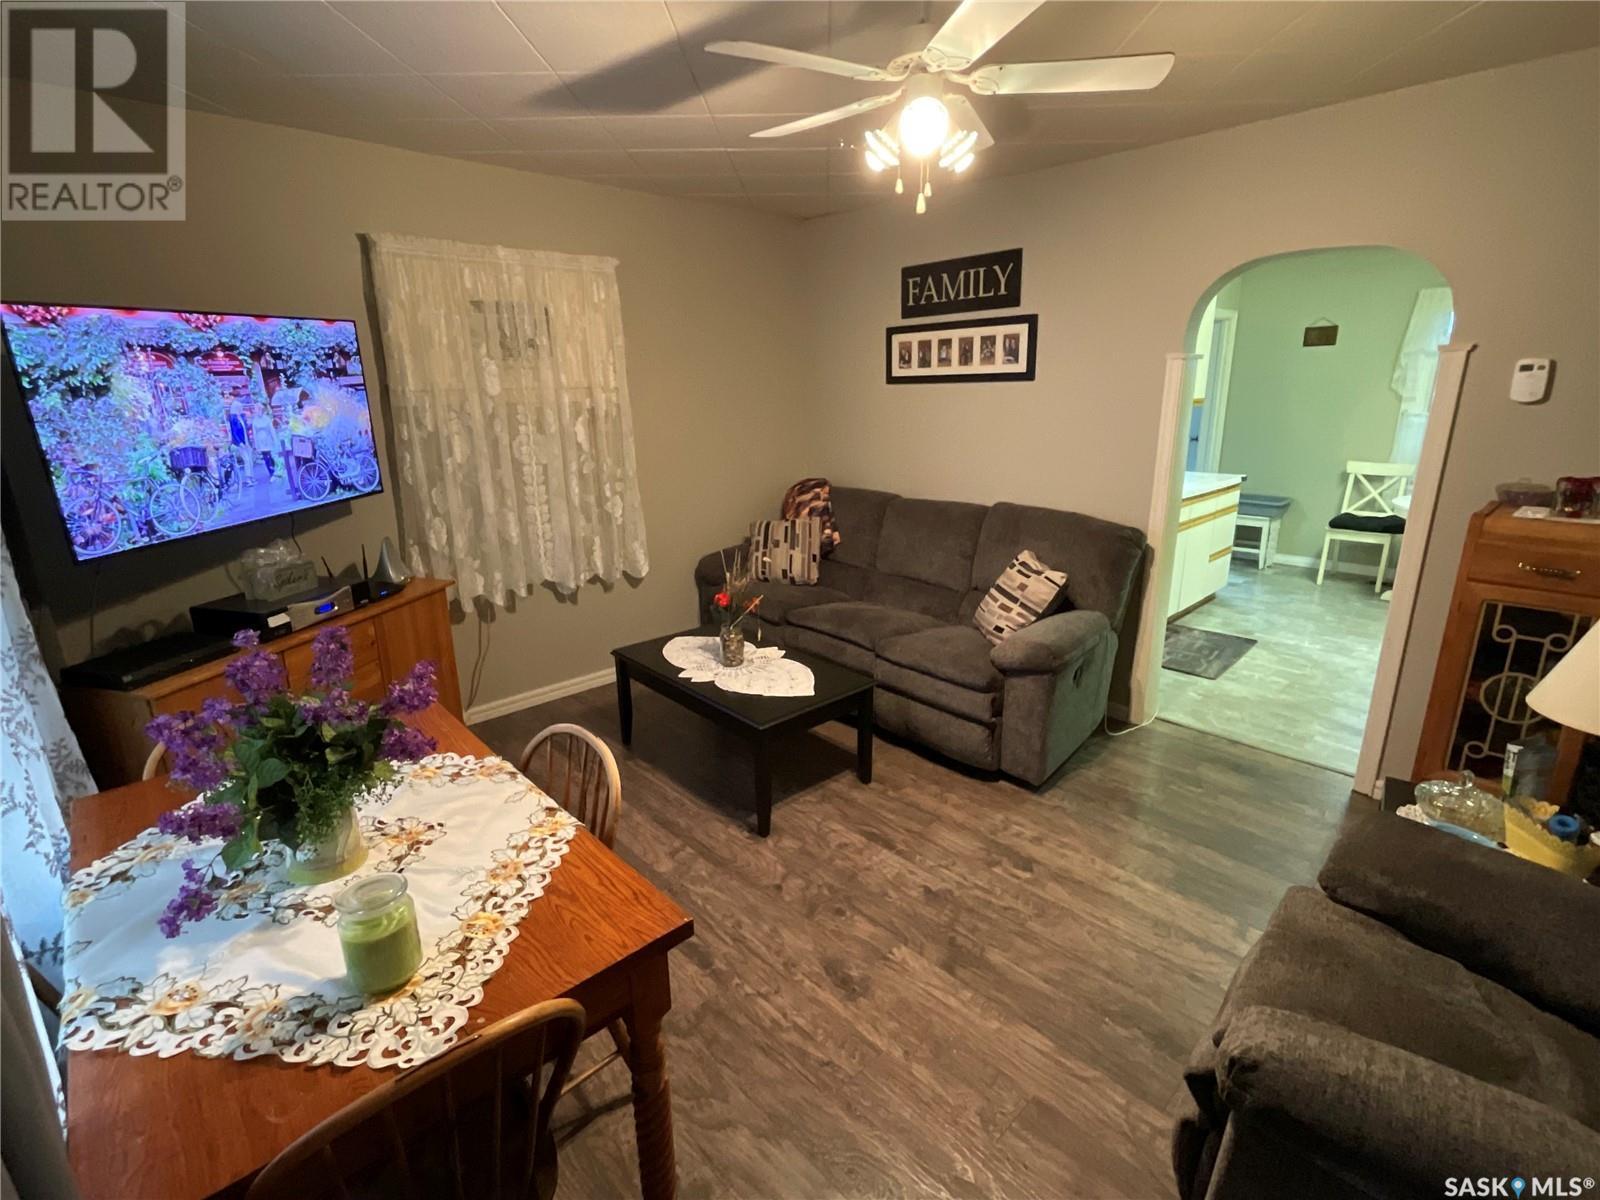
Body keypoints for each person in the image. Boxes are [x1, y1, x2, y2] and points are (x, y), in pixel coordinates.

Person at [250, 402, 281, 483]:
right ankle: (270, 471)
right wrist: (256, 444)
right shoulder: (255, 421)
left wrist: (275, 439)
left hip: (267, 439)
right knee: (265, 456)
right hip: (260, 440)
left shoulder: (267, 419)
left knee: (270, 455)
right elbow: (254, 433)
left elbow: (271, 430)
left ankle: (274, 468)